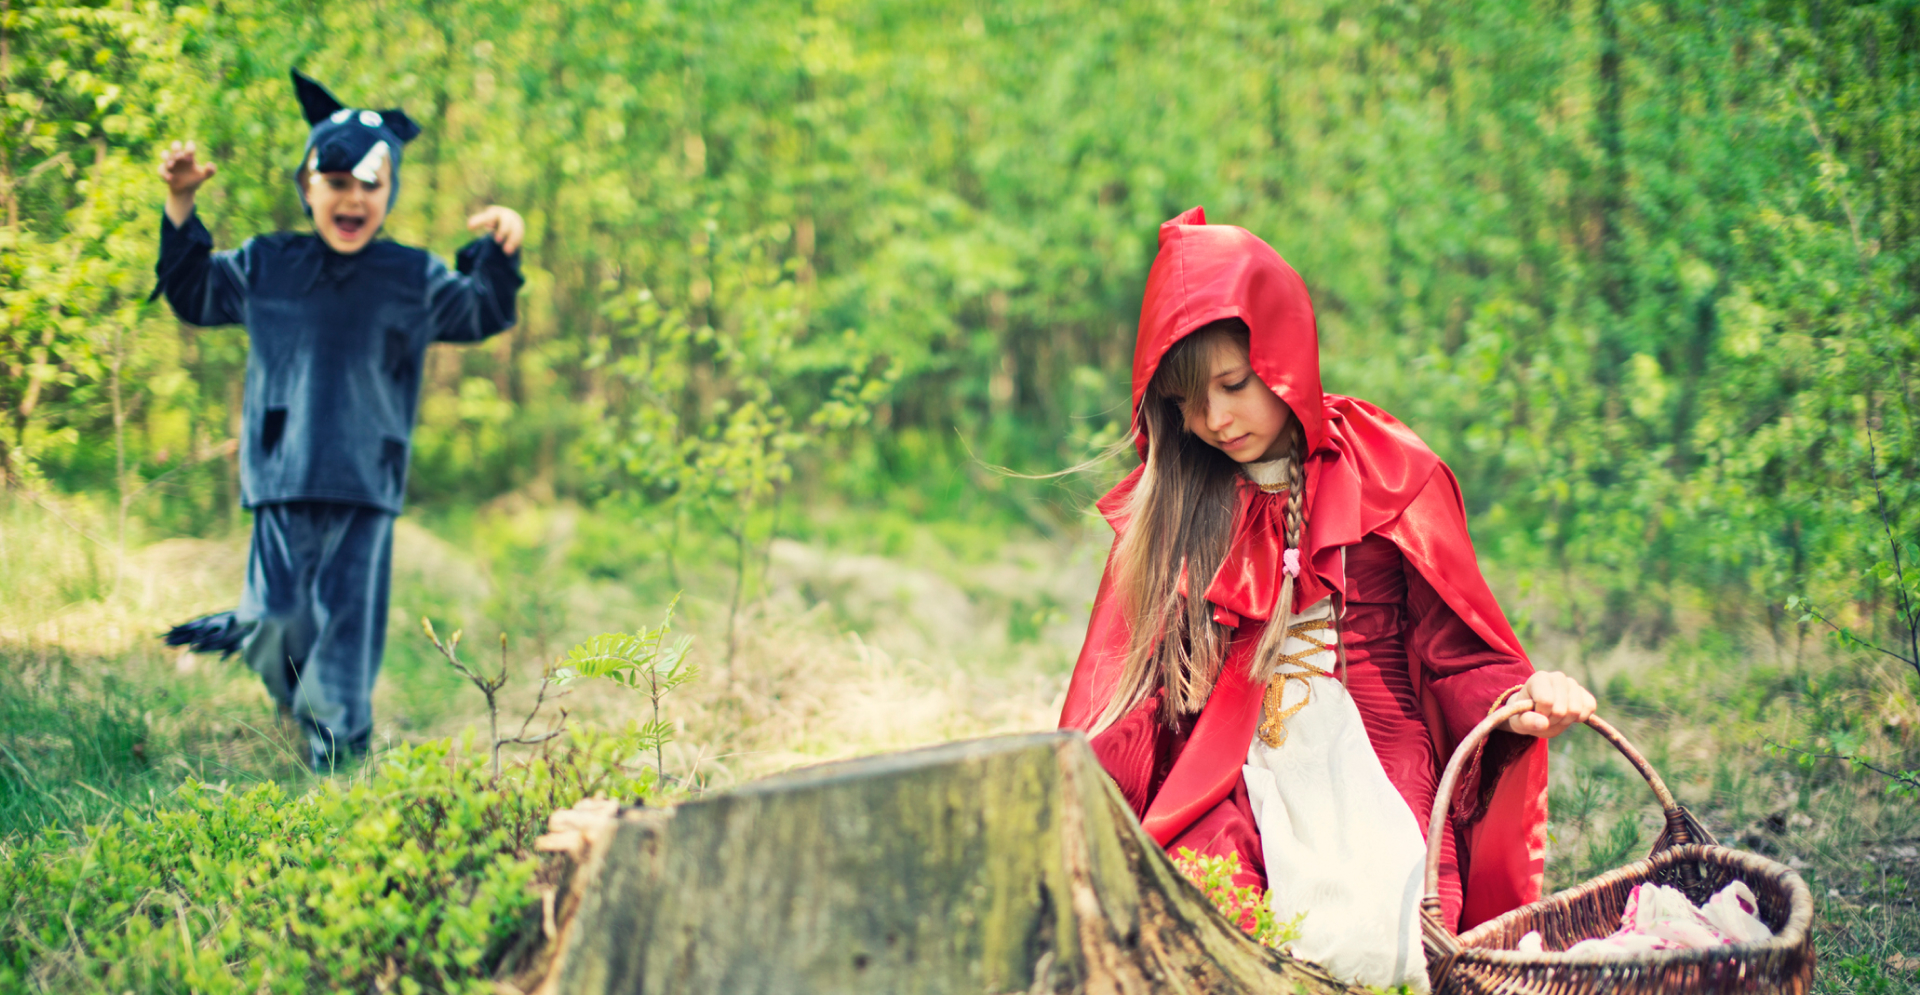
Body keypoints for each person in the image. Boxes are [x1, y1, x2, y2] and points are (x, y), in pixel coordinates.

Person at [1058, 207, 1596, 990]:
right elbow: (1123, 701)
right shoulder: (1173, 506)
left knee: (1403, 926)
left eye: (1233, 384)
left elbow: (1457, 652)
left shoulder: (1383, 467)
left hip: (1379, 755)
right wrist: (1074, 810)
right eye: (1185, 402)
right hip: (1232, 768)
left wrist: (1521, 699)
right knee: (1203, 913)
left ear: (1280, 355)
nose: (1214, 420)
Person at [156, 69, 527, 772]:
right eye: (335, 182)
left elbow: (483, 309)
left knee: (347, 630)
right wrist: (180, 202)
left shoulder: (412, 276)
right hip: (282, 474)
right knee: (275, 621)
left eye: (370, 185)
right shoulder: (268, 263)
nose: (353, 198)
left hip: (365, 479)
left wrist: (503, 249)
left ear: (389, 193)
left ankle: (340, 751)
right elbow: (193, 291)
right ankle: (287, 687)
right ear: (308, 186)